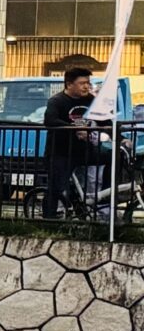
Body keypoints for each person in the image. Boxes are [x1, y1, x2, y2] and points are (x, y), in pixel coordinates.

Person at [44, 66, 102, 221]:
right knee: (55, 188)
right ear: (69, 84)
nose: (86, 86)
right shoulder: (56, 101)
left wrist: (121, 137)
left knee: (107, 162)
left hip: (84, 149)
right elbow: (50, 121)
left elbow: (105, 120)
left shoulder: (91, 100)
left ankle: (87, 215)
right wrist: (75, 129)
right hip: (60, 151)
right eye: (82, 83)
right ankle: (47, 220)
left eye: (88, 83)